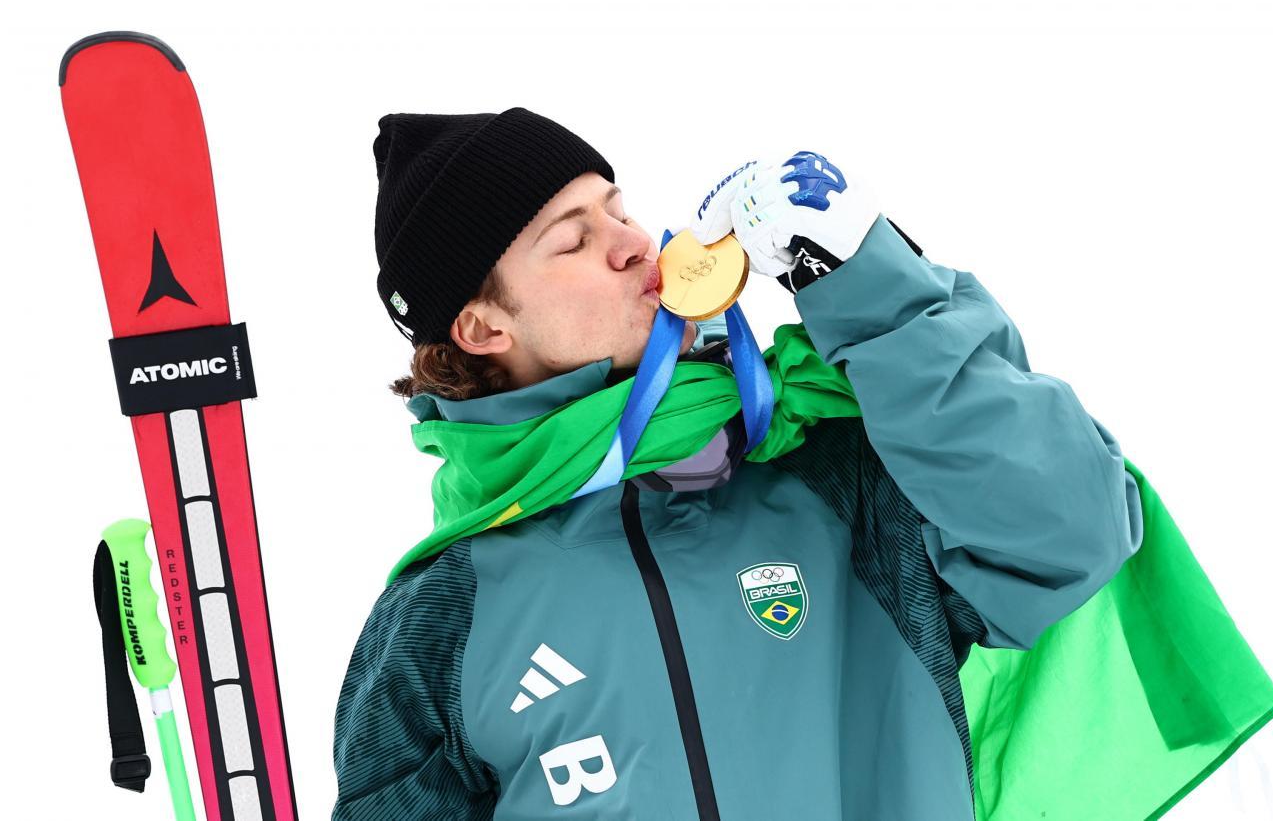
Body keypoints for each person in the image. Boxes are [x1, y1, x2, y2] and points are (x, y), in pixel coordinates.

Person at [330, 106, 1144, 819]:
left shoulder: (836, 478)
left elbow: (1071, 531)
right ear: (481, 329)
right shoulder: (441, 620)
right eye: (574, 240)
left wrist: (871, 286)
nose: (632, 244)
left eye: (619, 210)